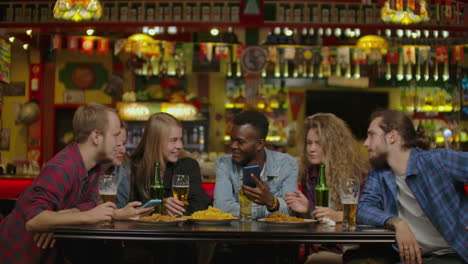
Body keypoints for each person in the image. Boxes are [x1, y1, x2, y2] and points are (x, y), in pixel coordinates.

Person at [0, 103, 121, 263]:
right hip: (17, 256)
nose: (119, 143)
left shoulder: (93, 168)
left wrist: (56, 220)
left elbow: (91, 203)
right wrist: (85, 216)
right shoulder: (62, 167)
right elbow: (34, 221)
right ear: (96, 137)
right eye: (115, 135)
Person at [357, 109, 467, 263]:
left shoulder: (438, 160)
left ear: (392, 136)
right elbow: (363, 209)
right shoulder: (379, 172)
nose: (366, 143)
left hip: (452, 256)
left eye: (372, 134)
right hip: (411, 259)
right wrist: (396, 222)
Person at [284, 113, 369, 262]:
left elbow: (369, 214)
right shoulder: (308, 174)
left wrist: (339, 216)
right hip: (321, 246)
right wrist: (306, 210)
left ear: (334, 145)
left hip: (351, 248)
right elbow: (316, 219)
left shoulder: (356, 173)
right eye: (309, 143)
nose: (311, 149)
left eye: (318, 143)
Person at [214, 110, 298, 219]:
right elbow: (221, 208)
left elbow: (292, 211)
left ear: (259, 144)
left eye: (240, 142)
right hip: (236, 234)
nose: (233, 146)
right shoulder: (223, 163)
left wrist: (271, 202)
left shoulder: (287, 164)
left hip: (273, 234)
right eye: (232, 140)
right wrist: (271, 205)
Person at [130, 112, 211, 216]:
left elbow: (200, 204)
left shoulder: (188, 165)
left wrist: (176, 209)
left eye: (180, 139)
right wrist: (160, 207)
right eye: (173, 140)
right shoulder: (135, 166)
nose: (180, 145)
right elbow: (129, 207)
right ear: (156, 142)